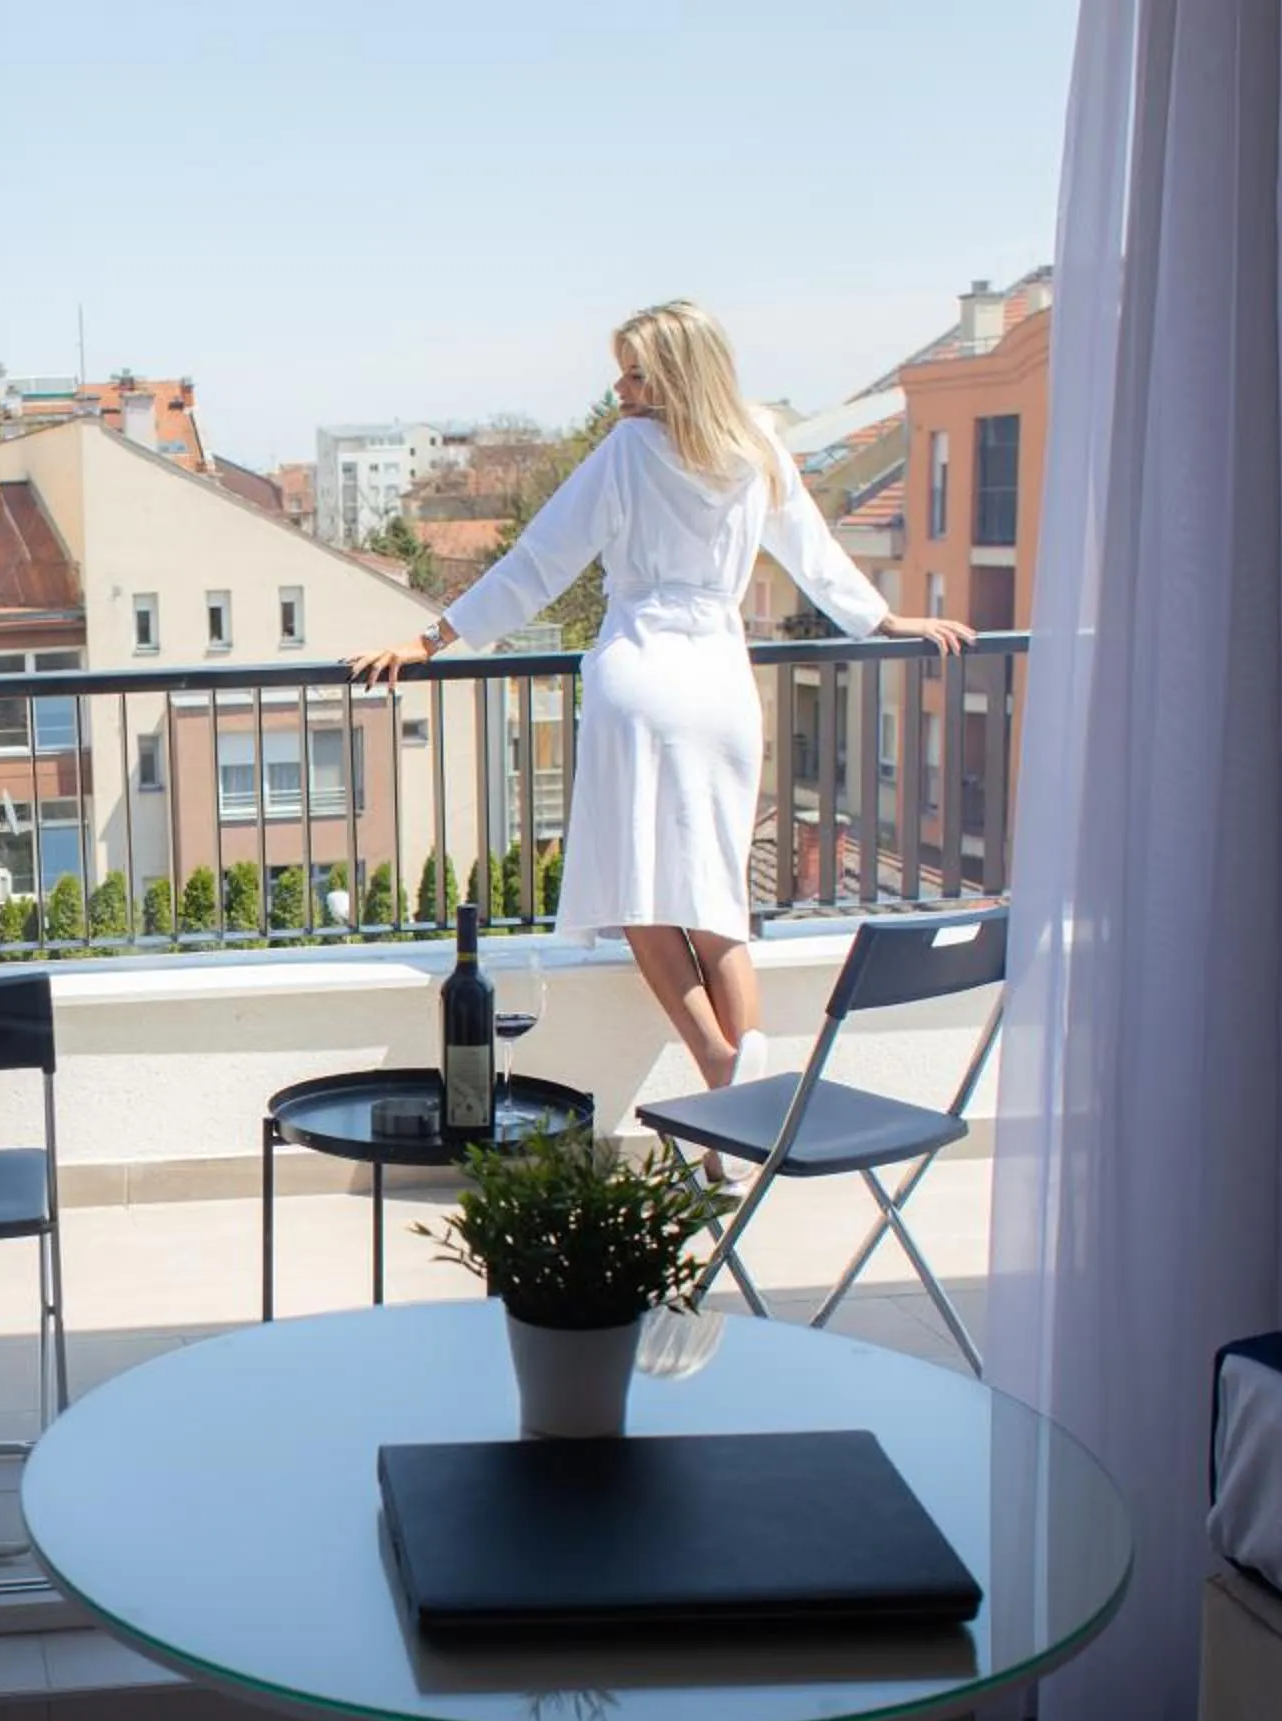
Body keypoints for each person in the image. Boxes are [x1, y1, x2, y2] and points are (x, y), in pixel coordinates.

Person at [350, 300, 971, 1177]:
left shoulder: (630, 452)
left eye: (636, 372)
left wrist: (428, 640)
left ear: (674, 374)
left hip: (641, 674)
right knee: (717, 902)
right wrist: (882, 619)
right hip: (721, 683)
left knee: (642, 896)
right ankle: (746, 1110)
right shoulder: (756, 444)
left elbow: (538, 562)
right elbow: (814, 551)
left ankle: (723, 1072)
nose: (621, 388)